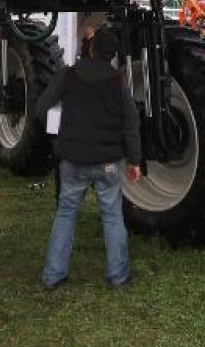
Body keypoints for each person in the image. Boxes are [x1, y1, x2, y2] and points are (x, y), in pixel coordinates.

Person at [37, 28, 142, 289]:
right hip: (108, 163)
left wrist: (59, 136)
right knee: (112, 216)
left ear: (91, 49)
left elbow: (41, 108)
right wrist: (135, 161)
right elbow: (131, 125)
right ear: (113, 55)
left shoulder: (69, 75)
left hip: (72, 160)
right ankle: (118, 276)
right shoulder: (118, 82)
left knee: (65, 214)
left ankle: (53, 275)